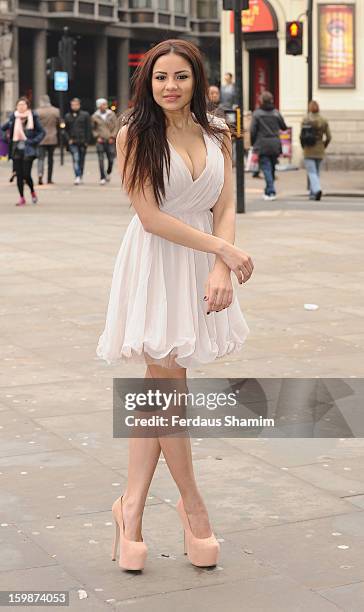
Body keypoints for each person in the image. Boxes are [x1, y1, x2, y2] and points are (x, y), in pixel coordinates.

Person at [96, 39, 254, 572]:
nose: (169, 86)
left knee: (161, 382)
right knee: (168, 380)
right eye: (160, 76)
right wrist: (223, 250)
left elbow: (225, 203)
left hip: (199, 264)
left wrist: (218, 266)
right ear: (147, 81)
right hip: (155, 260)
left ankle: (130, 509)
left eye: (180, 76)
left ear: (197, 79)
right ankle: (194, 508)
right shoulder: (134, 135)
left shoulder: (217, 133)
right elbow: (150, 217)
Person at [0, 96, 45, 206]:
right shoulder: (13, 118)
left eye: (23, 105)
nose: (21, 107)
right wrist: (6, 139)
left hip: (28, 150)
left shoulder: (33, 117)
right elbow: (2, 128)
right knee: (19, 175)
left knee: (26, 174)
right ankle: (22, 197)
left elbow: (42, 132)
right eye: (19, 105)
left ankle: (32, 192)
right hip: (16, 149)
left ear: (27, 106)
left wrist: (34, 141)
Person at [250, 91, 287, 201]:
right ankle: (268, 190)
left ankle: (271, 191)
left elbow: (253, 131)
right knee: (271, 168)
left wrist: (253, 144)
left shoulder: (257, 114)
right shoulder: (276, 113)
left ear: (261, 101)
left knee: (266, 168)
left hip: (262, 144)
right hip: (275, 144)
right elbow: (284, 127)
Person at [301, 100, 332, 201]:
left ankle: (317, 190)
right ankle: (313, 193)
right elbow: (329, 137)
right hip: (319, 148)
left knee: (311, 172)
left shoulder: (305, 119)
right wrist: (324, 146)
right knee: (316, 173)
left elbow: (301, 136)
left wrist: (303, 147)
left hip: (308, 149)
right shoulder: (323, 120)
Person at [64, 98, 91, 185]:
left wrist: (87, 141)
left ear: (79, 105)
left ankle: (80, 175)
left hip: (83, 141)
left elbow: (88, 129)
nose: (74, 106)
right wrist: (68, 140)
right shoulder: (67, 116)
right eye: (72, 105)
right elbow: (65, 130)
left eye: (76, 104)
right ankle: (77, 176)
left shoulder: (85, 115)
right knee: (76, 158)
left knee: (81, 160)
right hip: (73, 141)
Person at [91, 98, 118, 185]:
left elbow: (116, 126)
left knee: (111, 159)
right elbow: (93, 129)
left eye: (105, 104)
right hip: (100, 140)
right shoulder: (94, 116)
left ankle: (108, 171)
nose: (105, 106)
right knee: (101, 159)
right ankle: (102, 177)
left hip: (110, 140)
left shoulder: (111, 114)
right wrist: (97, 136)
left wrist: (112, 136)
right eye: (103, 104)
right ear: (99, 106)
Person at [36, 94, 60, 185]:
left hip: (41, 138)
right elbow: (59, 123)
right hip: (52, 137)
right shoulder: (55, 111)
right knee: (51, 159)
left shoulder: (38, 112)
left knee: (41, 158)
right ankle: (49, 178)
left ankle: (40, 174)